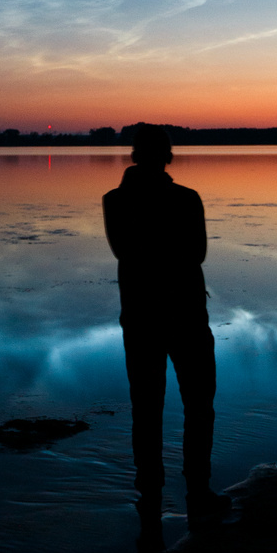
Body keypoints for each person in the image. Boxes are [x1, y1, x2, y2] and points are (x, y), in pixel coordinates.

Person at [102, 124, 231, 525]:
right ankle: (196, 490)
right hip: (184, 313)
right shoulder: (186, 199)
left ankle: (152, 496)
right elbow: (197, 254)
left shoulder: (115, 201)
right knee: (197, 404)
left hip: (142, 314)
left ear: (135, 156)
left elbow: (126, 251)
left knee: (148, 404)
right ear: (168, 156)